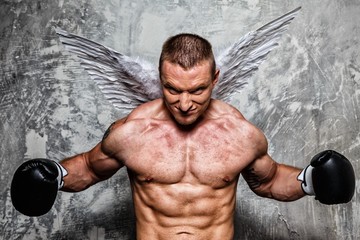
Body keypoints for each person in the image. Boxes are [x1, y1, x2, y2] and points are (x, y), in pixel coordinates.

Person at [11, 33, 355, 240]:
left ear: (216, 78)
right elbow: (89, 167)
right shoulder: (131, 132)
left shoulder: (240, 134)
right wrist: (54, 174)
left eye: (198, 90)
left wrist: (309, 180)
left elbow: (268, 180)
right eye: (172, 89)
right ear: (160, 77)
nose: (185, 104)